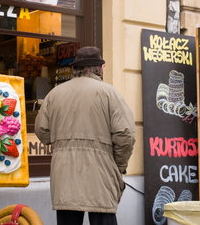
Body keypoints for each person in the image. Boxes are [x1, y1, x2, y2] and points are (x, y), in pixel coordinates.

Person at [35, 46, 136, 225]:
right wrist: (118, 166)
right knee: (103, 219)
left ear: (75, 69)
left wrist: (62, 139)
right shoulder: (109, 93)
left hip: (64, 174)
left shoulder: (54, 94)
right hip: (101, 172)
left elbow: (42, 132)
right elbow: (125, 135)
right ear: (100, 68)